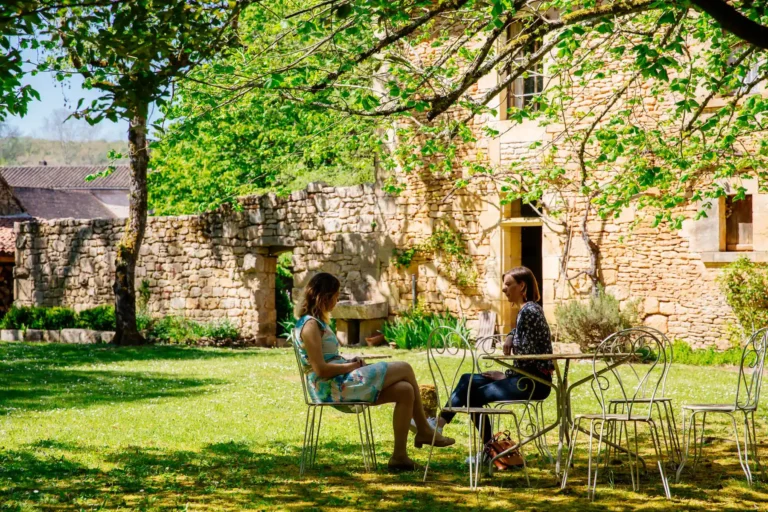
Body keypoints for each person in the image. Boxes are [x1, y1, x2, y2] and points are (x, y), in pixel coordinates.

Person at [295, 272, 455, 471]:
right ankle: (423, 429)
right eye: (336, 296)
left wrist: (349, 362)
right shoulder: (310, 325)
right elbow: (320, 369)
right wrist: (351, 366)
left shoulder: (316, 323)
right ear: (324, 297)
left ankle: (399, 457)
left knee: (405, 390)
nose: (337, 301)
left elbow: (328, 360)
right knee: (405, 367)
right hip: (331, 387)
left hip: (340, 381)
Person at [432, 266, 553, 447]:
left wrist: (506, 376)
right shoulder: (529, 310)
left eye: (508, 284)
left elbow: (528, 357)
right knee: (467, 379)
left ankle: (489, 449)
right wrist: (511, 335)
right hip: (526, 379)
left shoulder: (529, 312)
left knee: (473, 396)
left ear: (521, 286)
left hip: (533, 383)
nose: (504, 289)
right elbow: (523, 335)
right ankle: (438, 425)